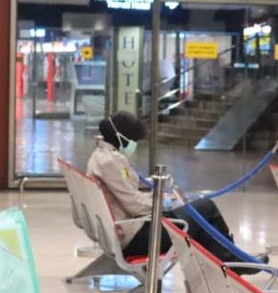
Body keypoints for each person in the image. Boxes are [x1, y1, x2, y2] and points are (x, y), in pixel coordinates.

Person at [86, 111, 266, 272]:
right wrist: (163, 202)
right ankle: (232, 262)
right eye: (134, 141)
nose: (135, 145)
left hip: (126, 229)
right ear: (122, 138)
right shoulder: (112, 162)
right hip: (137, 237)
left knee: (200, 218)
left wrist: (160, 197)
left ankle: (229, 262)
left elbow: (126, 196)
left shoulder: (100, 156)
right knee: (206, 207)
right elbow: (134, 205)